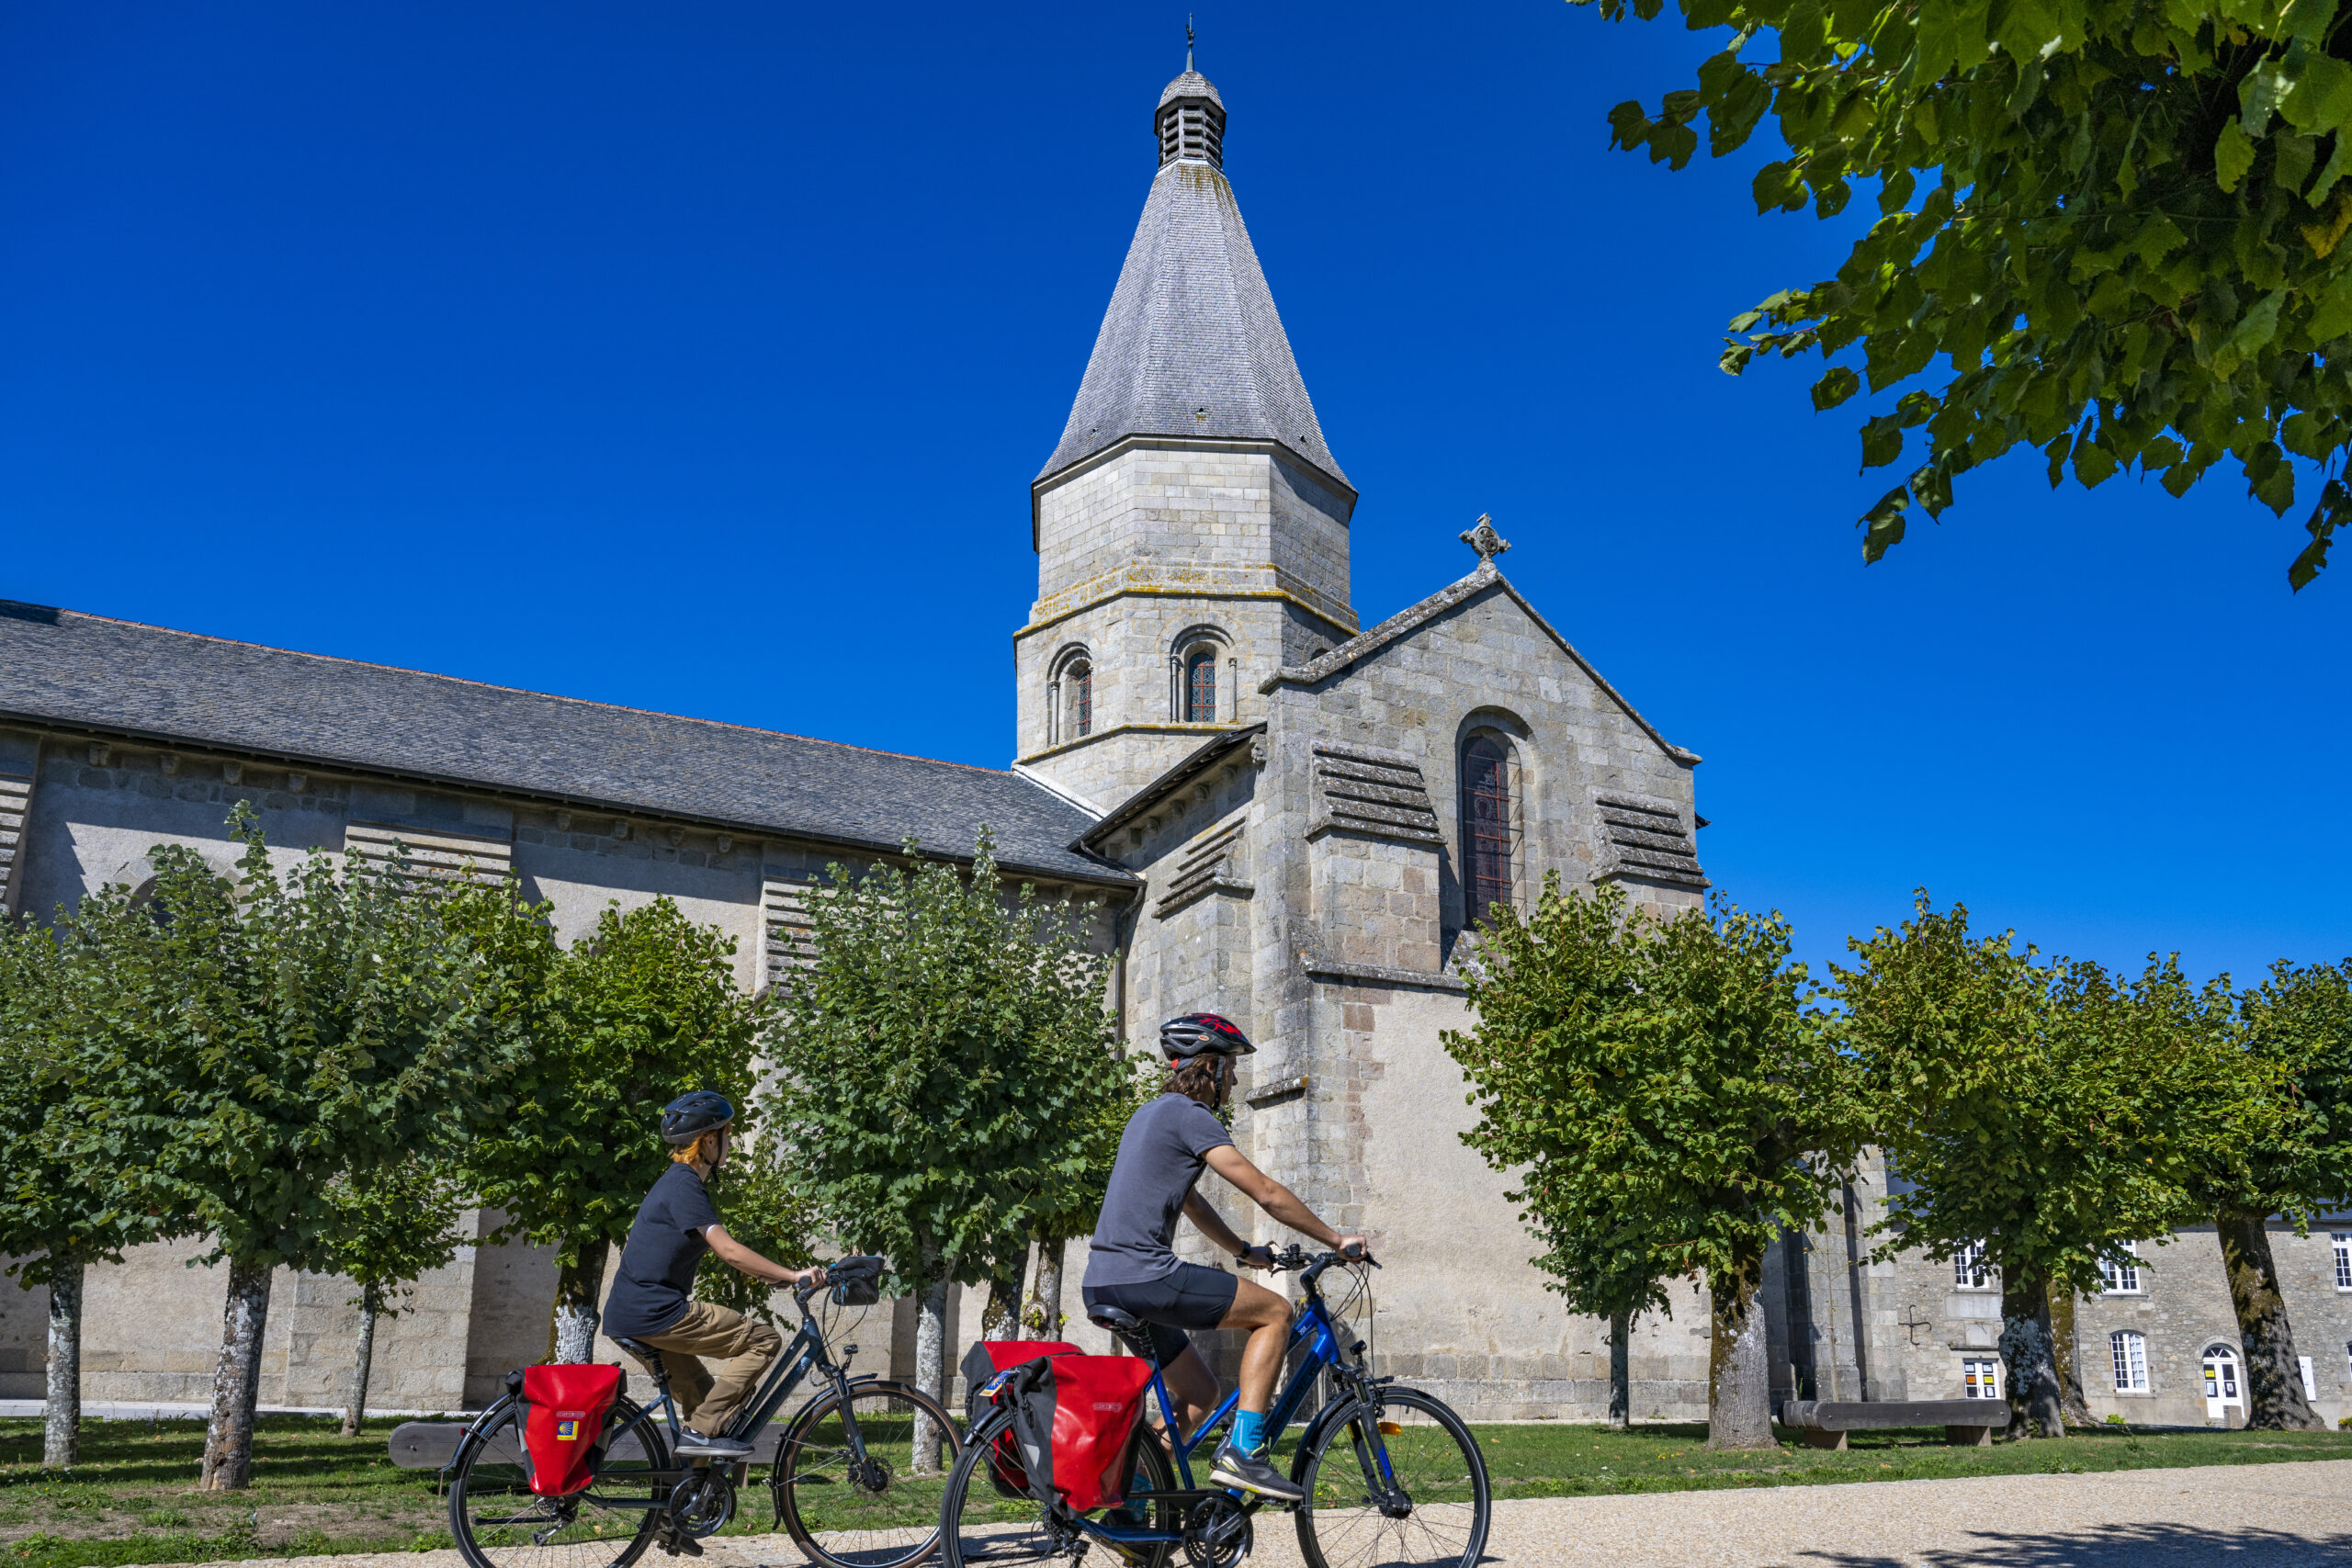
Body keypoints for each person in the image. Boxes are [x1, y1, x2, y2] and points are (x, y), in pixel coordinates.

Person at [1080, 1013, 1371, 1504]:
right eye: (1231, 1070)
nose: (1234, 1081)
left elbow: (1189, 1201)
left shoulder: (1148, 1115)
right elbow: (1267, 1193)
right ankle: (1245, 1453)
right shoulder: (1192, 1117)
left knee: (1199, 1396)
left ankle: (1127, 1504)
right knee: (1276, 1313)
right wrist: (1336, 1237)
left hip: (1105, 1282)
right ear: (1210, 1068)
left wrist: (1243, 1251)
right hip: (1146, 1275)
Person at [602, 1090, 826, 1459]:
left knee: (709, 1409)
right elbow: (730, 1250)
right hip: (658, 1313)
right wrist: (793, 1272)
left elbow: (729, 1254)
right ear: (708, 1140)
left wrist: (774, 1276)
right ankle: (698, 1434)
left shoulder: (677, 1183)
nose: (731, 1142)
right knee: (764, 1340)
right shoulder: (684, 1184)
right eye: (727, 1133)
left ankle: (683, 1507)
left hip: (633, 1315)